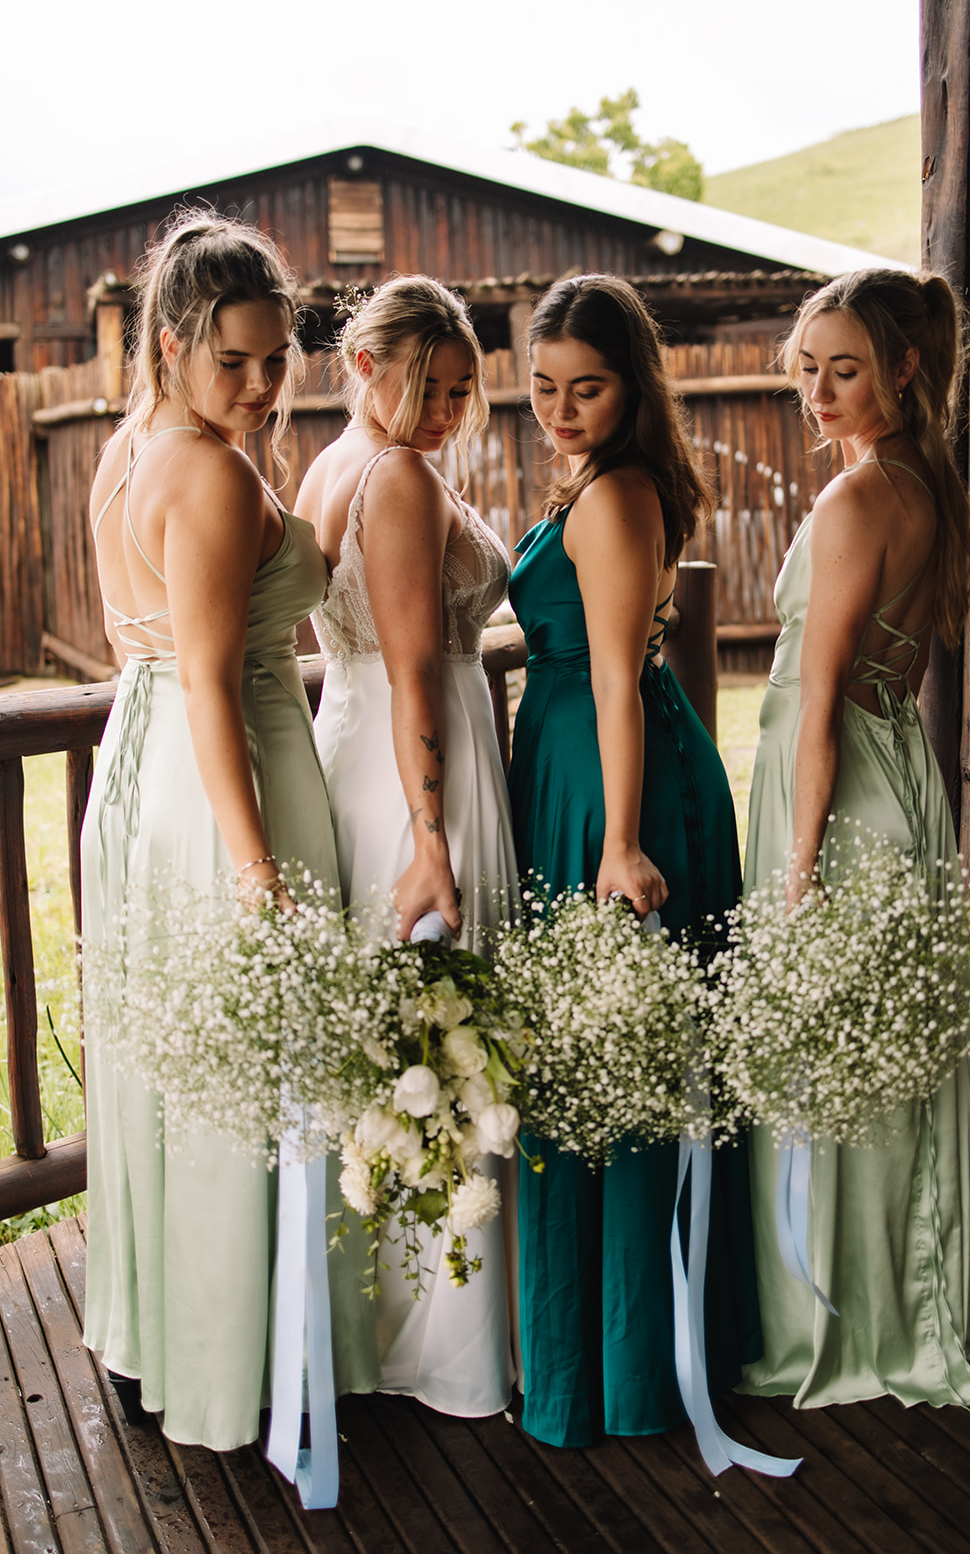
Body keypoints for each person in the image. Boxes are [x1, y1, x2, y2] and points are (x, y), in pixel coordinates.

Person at [81, 211, 378, 1450]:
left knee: (181, 1069)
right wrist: (254, 863)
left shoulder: (132, 445)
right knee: (244, 1072)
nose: (259, 388)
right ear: (168, 342)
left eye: (274, 362)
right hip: (223, 776)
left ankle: (170, 1339)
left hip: (147, 768)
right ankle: (236, 1357)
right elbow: (210, 676)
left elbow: (146, 653)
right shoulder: (202, 468)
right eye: (232, 364)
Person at [737, 267, 970, 1408]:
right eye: (806, 370)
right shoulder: (918, 486)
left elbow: (819, 705)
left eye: (843, 369)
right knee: (883, 1070)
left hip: (839, 808)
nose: (818, 392)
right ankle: (906, 1295)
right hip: (899, 788)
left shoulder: (853, 503)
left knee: (831, 1068)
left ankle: (836, 1323)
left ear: (900, 367)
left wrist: (792, 882)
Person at [507, 274, 761, 1449]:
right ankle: (608, 1351)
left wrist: (615, 840)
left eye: (586, 388)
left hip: (613, 780)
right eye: (543, 385)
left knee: (614, 1055)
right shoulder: (596, 479)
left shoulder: (614, 496)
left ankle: (618, 1369)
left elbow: (613, 674)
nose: (559, 408)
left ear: (631, 386)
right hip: (582, 757)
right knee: (598, 1051)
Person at [295, 274, 519, 1417]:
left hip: (355, 745)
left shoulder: (332, 464)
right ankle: (432, 1341)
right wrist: (432, 842)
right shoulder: (393, 476)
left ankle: (370, 1318)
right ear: (364, 366)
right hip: (414, 771)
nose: (443, 409)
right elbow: (418, 668)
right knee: (440, 1029)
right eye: (426, 386)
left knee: (395, 1045)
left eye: (461, 390)